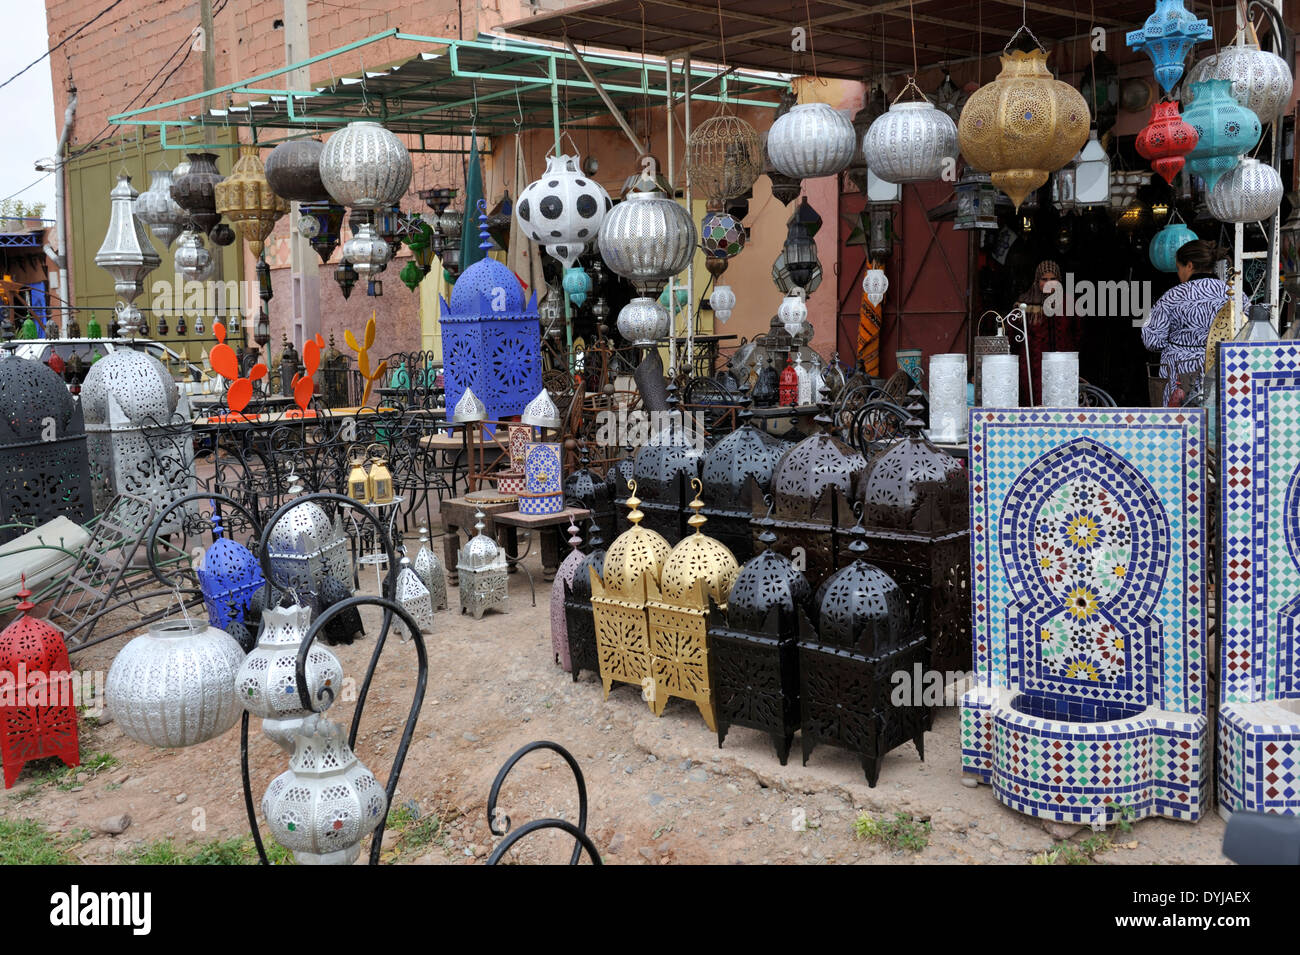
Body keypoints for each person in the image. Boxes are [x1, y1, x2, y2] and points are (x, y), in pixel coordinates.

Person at [1142, 240, 1238, 406]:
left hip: (1180, 376)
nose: (1178, 274)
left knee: (1181, 425)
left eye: (1179, 268)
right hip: (1225, 371)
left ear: (1190, 266)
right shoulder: (1235, 294)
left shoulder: (1172, 296)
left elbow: (1152, 340)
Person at [1013, 260, 1079, 404]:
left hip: (1062, 364)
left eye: (1053, 279)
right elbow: (1014, 336)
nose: (1049, 283)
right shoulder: (1024, 304)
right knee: (1033, 404)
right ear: (1037, 281)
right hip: (1032, 367)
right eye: (1044, 279)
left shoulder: (1069, 303)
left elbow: (1078, 334)